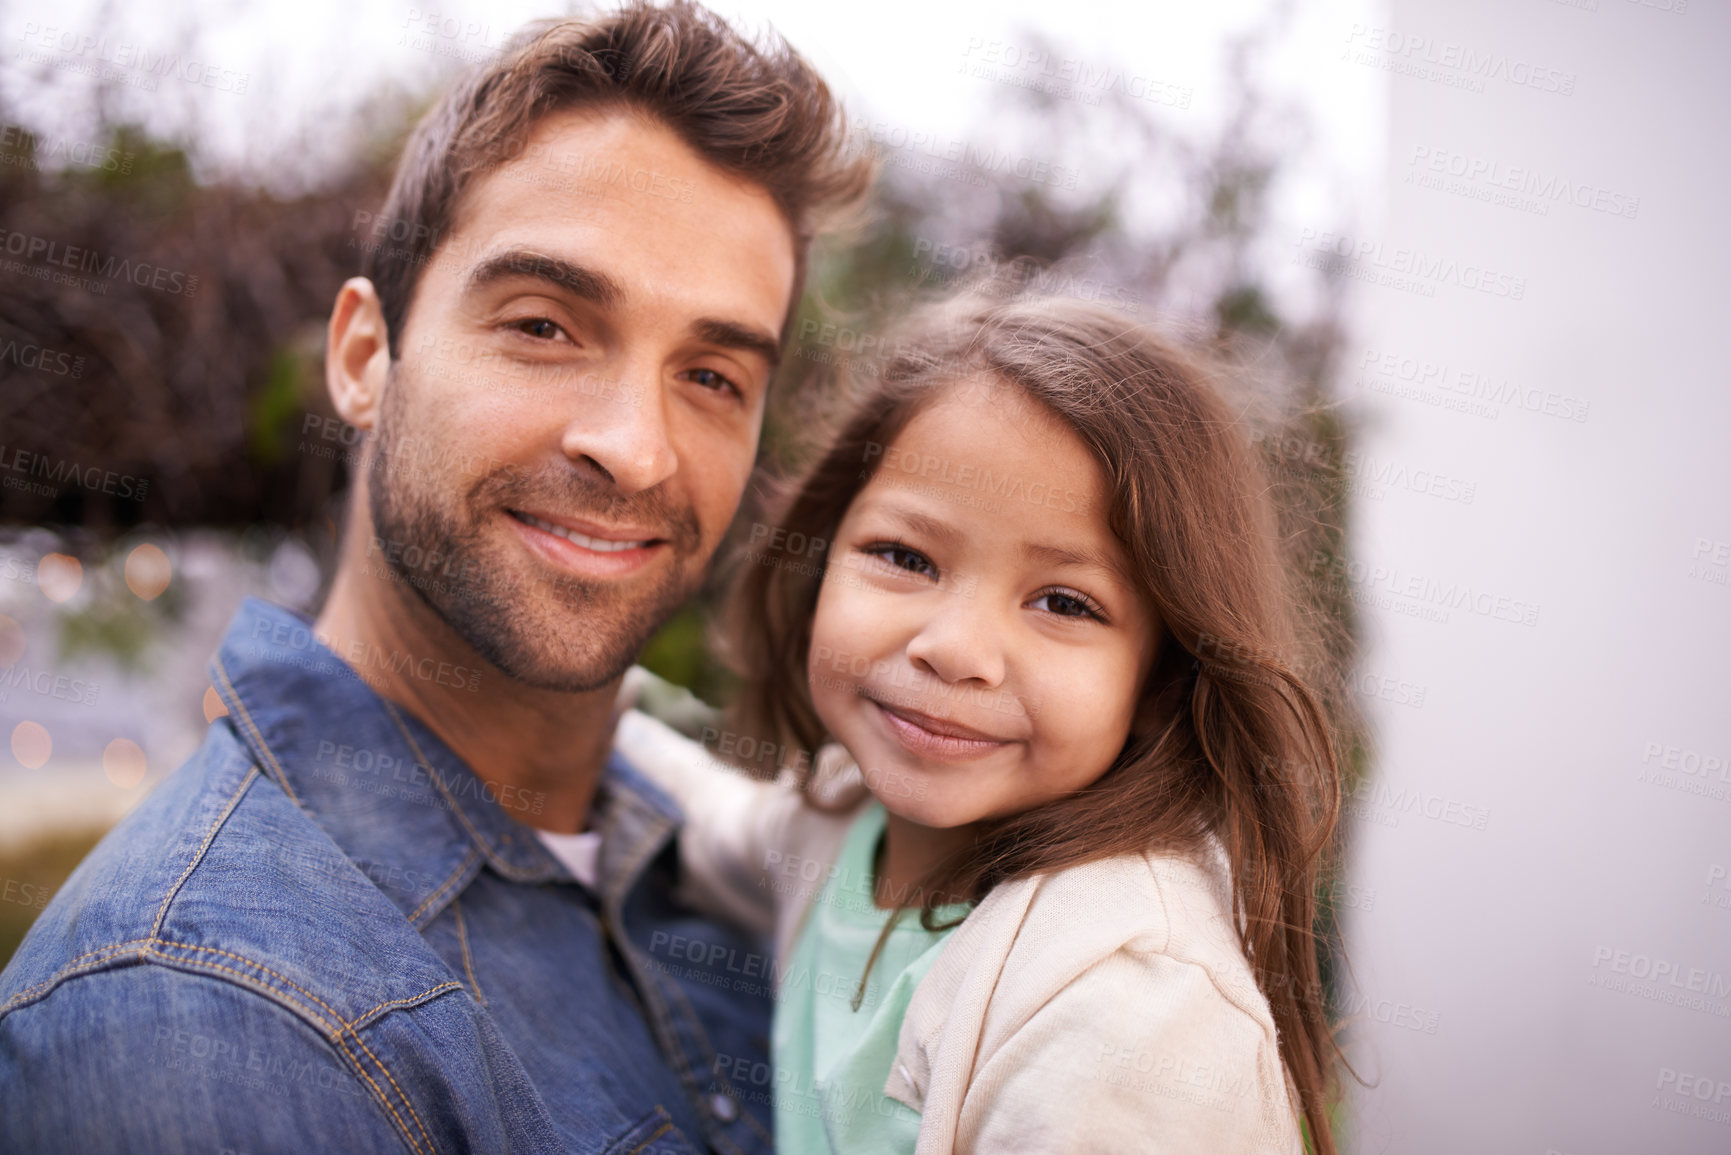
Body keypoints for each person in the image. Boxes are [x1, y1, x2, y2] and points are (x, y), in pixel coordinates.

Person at [0, 4, 869, 1152]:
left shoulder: (736, 871)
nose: (637, 447)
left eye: (711, 374)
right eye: (546, 325)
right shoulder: (203, 1013)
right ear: (366, 357)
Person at [616, 291, 1345, 1153]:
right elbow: (711, 817)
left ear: (1161, 681)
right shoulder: (843, 822)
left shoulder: (1121, 1007)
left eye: (1064, 602)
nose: (956, 649)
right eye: (904, 556)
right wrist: (576, 698)